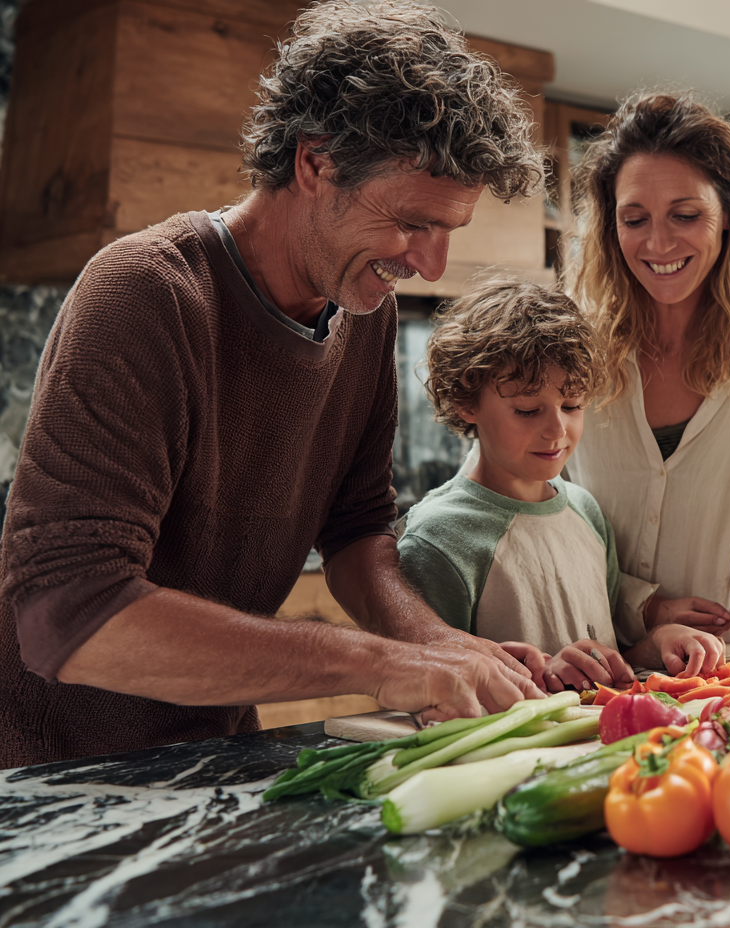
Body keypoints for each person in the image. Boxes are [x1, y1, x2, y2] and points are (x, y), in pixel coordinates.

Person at [0, 1, 547, 768]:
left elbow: (356, 529)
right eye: (412, 223)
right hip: (53, 779)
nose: (430, 264)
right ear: (315, 163)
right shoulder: (144, 294)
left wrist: (441, 646)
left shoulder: (363, 312)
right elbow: (67, 612)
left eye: (449, 230)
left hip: (216, 754)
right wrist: (379, 663)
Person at [564, 91, 730, 642]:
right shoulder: (571, 339)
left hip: (721, 663)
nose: (658, 243)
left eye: (685, 215)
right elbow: (521, 499)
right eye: (634, 219)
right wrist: (640, 605)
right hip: (585, 652)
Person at [399, 280, 725, 692]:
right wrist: (543, 677)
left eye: (572, 405)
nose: (557, 430)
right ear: (467, 402)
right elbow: (427, 694)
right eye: (527, 410)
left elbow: (610, 663)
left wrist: (655, 645)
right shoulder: (438, 539)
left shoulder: (585, 512)